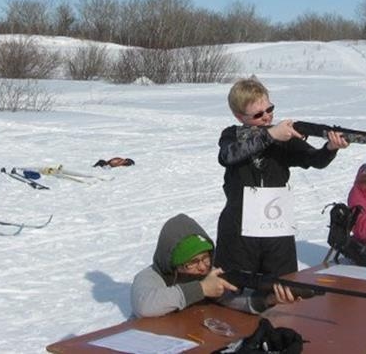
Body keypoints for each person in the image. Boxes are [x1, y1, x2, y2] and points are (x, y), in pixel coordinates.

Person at [214, 77, 350, 277]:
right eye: (258, 114)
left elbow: (315, 160)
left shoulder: (284, 137)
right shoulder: (231, 135)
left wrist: (330, 148)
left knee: (284, 287)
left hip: (276, 226)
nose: (267, 118)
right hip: (238, 227)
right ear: (239, 116)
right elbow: (228, 155)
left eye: (270, 109)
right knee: (231, 288)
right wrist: (270, 136)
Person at [131, 213, 296, 317]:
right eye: (193, 262)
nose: (203, 267)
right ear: (175, 263)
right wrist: (201, 289)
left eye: (206, 258)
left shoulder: (206, 274)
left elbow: (231, 300)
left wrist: (267, 299)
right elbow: (145, 306)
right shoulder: (150, 276)